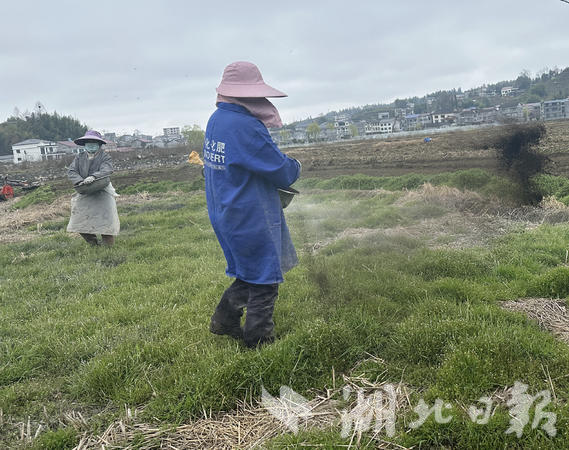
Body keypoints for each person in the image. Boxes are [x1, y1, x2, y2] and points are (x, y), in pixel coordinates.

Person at [205, 61, 301, 348]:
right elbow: (281, 170)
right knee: (265, 281)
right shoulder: (245, 126)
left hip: (226, 210)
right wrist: (295, 164)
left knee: (249, 272)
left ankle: (224, 320)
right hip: (250, 214)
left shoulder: (216, 120)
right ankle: (259, 340)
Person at [66, 130, 120, 246]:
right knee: (79, 220)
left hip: (102, 190)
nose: (91, 145)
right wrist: (80, 181)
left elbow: (107, 169)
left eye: (94, 143)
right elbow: (71, 171)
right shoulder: (79, 157)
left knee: (106, 221)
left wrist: (94, 176)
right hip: (85, 190)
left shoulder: (105, 157)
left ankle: (108, 248)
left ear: (99, 145)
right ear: (84, 145)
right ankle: (94, 244)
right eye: (88, 143)